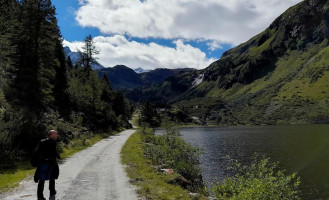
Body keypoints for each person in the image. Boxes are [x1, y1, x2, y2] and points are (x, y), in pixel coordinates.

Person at [33, 130, 60, 200]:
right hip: (50, 163)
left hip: (43, 163)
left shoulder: (42, 141)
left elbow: (36, 151)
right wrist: (58, 156)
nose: (56, 135)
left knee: (42, 180)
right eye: (55, 134)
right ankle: (52, 192)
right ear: (51, 135)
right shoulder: (53, 142)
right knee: (52, 178)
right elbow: (54, 152)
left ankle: (40, 196)